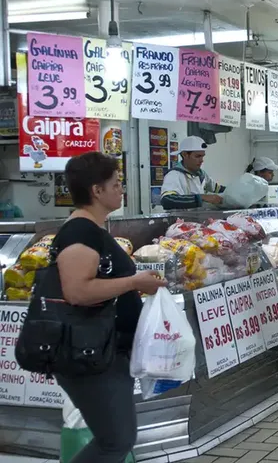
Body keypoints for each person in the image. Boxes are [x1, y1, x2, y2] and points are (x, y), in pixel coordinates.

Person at [53, 153, 166, 463]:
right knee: (115, 440)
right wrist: (133, 283)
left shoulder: (93, 231)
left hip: (106, 352)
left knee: (117, 438)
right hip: (91, 355)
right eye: (116, 184)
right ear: (96, 191)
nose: (122, 190)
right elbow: (77, 291)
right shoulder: (79, 234)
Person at [160, 136, 225, 209]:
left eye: (202, 156)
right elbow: (167, 200)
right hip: (180, 219)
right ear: (185, 155)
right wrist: (201, 198)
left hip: (198, 218)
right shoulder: (174, 175)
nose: (201, 160)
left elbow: (217, 189)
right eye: (198, 156)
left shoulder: (201, 174)